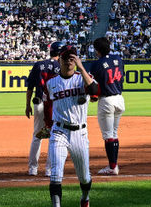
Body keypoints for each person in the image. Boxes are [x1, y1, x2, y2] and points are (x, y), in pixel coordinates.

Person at [43, 43, 99, 207]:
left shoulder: (83, 77)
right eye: (66, 57)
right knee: (55, 175)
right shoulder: (51, 83)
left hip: (79, 133)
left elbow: (95, 91)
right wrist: (47, 125)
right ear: (59, 59)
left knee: (84, 177)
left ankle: (85, 197)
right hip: (58, 131)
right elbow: (47, 105)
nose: (69, 61)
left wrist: (81, 69)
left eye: (72, 58)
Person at [25, 40, 64, 176]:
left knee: (37, 135)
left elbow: (30, 87)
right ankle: (49, 169)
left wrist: (27, 105)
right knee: (54, 136)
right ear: (60, 53)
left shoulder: (39, 65)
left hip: (39, 102)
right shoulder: (62, 66)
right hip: (55, 104)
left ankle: (32, 169)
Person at [89, 36, 125, 175]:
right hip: (119, 98)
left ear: (97, 50)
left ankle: (112, 167)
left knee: (108, 135)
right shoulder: (119, 59)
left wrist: (93, 96)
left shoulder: (97, 64)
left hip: (106, 101)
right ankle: (114, 164)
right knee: (114, 134)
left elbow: (92, 85)